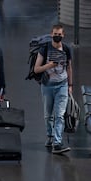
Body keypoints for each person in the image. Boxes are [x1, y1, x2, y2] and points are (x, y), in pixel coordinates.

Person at [34, 24, 73, 154]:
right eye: (55, 34)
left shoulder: (66, 49)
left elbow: (69, 68)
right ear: (51, 34)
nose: (57, 36)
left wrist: (70, 85)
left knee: (60, 115)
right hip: (48, 86)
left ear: (63, 35)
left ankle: (57, 142)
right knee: (48, 115)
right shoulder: (44, 49)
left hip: (62, 85)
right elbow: (36, 69)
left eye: (59, 34)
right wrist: (49, 65)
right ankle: (50, 136)